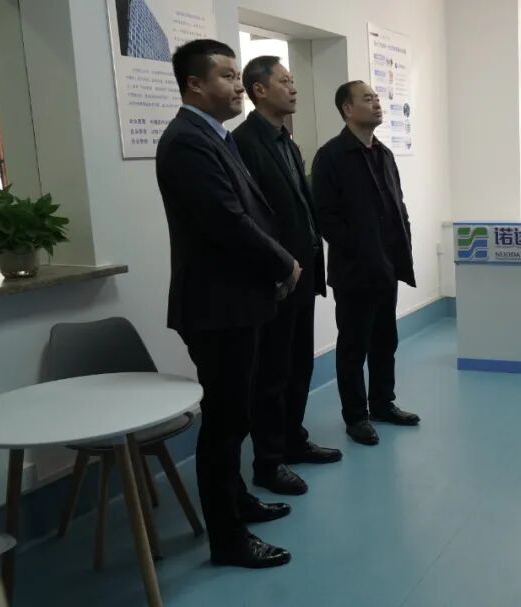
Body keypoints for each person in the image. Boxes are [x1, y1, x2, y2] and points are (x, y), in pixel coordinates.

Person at [156, 39, 301, 569]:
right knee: (222, 425)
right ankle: (228, 539)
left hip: (239, 300)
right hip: (217, 307)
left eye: (238, 75)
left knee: (236, 416)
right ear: (195, 84)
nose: (239, 85)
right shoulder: (186, 142)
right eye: (227, 76)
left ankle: (237, 501)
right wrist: (283, 264)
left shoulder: (214, 136)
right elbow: (227, 220)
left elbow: (249, 211)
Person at [233, 56, 341, 497]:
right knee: (272, 374)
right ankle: (269, 462)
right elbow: (250, 217)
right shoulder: (244, 143)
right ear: (259, 90)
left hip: (303, 272)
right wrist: (277, 268)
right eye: (284, 81)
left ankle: (294, 440)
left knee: (299, 365)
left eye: (294, 81)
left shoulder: (286, 142)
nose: (293, 88)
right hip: (275, 279)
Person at [311, 81, 420, 446]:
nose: (376, 103)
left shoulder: (383, 153)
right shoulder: (331, 156)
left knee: (385, 341)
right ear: (347, 109)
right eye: (367, 99)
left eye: (377, 98)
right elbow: (326, 218)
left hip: (388, 269)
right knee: (353, 346)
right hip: (355, 272)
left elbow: (397, 205)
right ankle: (356, 416)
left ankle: (383, 403)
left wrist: (400, 246)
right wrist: (363, 250)